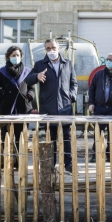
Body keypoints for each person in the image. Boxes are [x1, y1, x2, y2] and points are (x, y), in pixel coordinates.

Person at [25, 38, 78, 173]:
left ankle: (68, 163)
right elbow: (28, 80)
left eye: (53, 48)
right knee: (51, 138)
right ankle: (51, 164)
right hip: (48, 108)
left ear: (58, 48)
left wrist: (71, 96)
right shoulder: (40, 64)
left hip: (65, 107)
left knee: (67, 137)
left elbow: (74, 83)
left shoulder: (67, 64)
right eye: (48, 48)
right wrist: (37, 76)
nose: (51, 51)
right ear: (45, 50)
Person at [0, 46, 36, 151]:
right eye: (13, 55)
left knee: (21, 136)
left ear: (21, 57)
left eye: (18, 55)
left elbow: (32, 88)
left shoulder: (27, 72)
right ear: (8, 57)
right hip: (6, 108)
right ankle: (7, 161)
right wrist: (3, 94)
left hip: (23, 108)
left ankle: (20, 162)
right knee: (6, 137)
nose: (16, 57)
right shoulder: (2, 72)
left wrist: (29, 96)